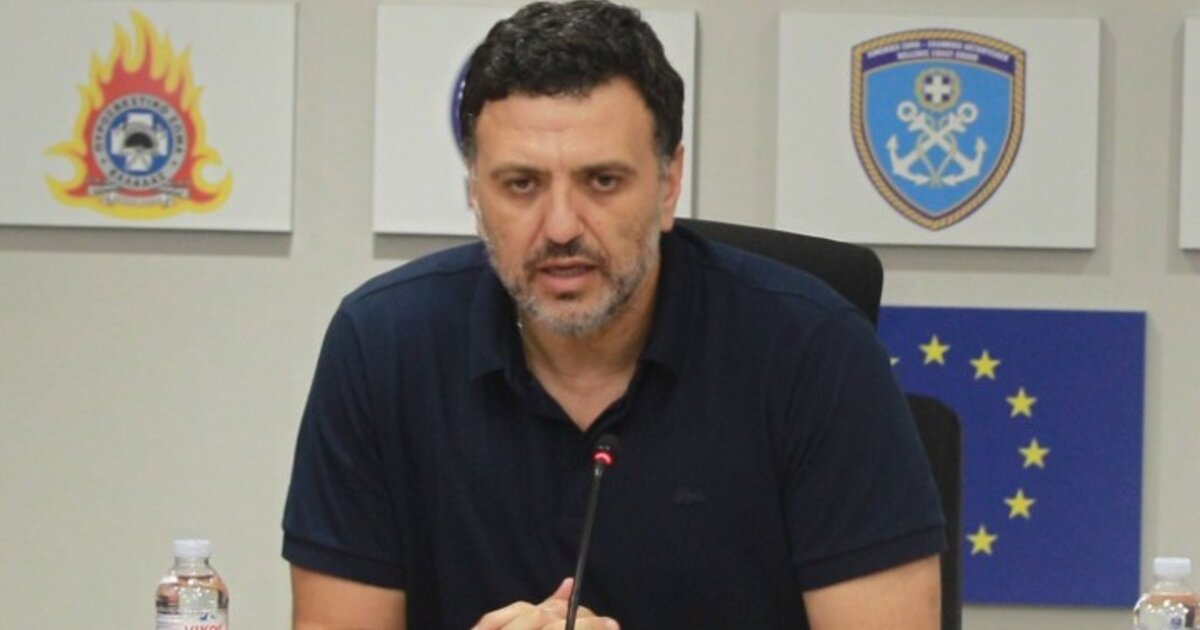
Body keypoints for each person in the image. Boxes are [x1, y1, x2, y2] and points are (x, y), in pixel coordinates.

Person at [282, 1, 945, 628]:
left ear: (668, 185)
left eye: (602, 181)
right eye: (521, 185)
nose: (561, 227)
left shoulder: (815, 351)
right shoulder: (381, 346)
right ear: (475, 195)